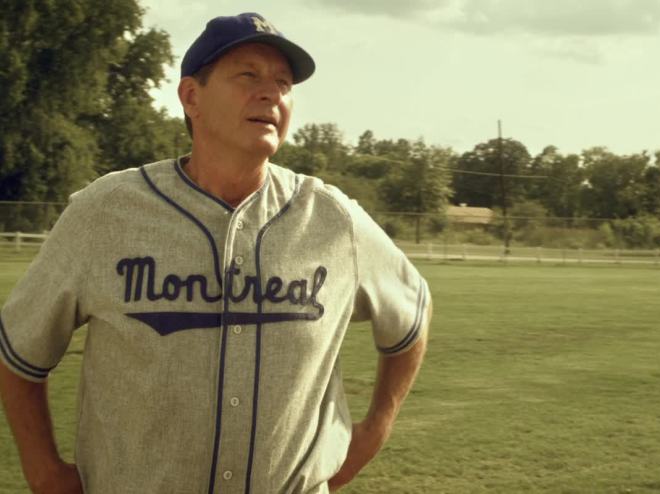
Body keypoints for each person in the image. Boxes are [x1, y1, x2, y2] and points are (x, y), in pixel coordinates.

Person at [0, 12, 431, 494]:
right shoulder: (106, 212)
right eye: (248, 75)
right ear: (191, 97)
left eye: (283, 83)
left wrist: (374, 430)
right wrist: (44, 471)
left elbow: (412, 314)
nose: (271, 94)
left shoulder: (333, 219)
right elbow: (18, 347)